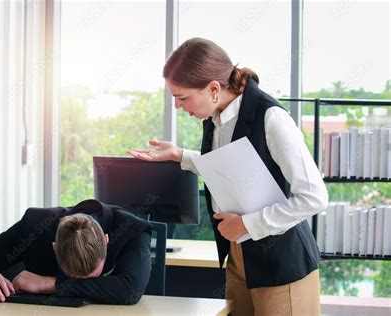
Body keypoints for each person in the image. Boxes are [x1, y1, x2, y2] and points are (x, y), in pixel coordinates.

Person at [128, 37, 328, 315]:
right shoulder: (215, 117)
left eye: (182, 97)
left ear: (213, 88)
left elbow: (314, 198)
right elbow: (230, 169)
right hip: (238, 257)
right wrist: (180, 155)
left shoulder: (271, 119)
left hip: (282, 263)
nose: (177, 106)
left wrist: (247, 224)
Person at [0, 199, 152, 305]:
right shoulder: (34, 226)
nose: (81, 281)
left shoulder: (132, 229)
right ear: (55, 249)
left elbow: (130, 290)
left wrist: (50, 283)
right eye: (74, 276)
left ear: (106, 242)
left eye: (90, 276)